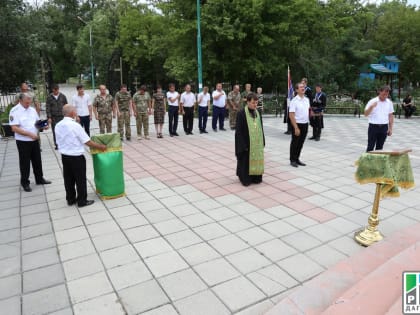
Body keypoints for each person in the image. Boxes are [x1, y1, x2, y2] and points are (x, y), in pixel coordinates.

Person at [55, 104, 107, 207]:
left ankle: (70, 199)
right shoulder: (75, 126)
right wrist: (100, 147)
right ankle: (82, 201)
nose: (76, 112)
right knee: (80, 179)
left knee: (68, 178)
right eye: (75, 110)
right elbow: (87, 141)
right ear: (72, 113)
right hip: (76, 157)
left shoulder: (58, 125)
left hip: (65, 156)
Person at [9, 93, 51, 192]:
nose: (28, 104)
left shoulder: (32, 110)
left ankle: (39, 179)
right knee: (25, 163)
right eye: (26, 103)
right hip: (23, 141)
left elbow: (37, 123)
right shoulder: (15, 111)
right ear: (20, 101)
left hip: (34, 139)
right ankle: (25, 182)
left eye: (29, 102)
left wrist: (43, 126)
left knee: (37, 160)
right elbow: (14, 128)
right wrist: (29, 134)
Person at [235, 93, 265, 186]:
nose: (255, 105)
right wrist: (243, 145)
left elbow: (261, 127)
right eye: (253, 103)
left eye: (256, 103)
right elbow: (238, 131)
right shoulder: (241, 113)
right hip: (246, 143)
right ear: (247, 102)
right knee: (245, 160)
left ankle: (256, 177)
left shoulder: (258, 112)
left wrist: (263, 140)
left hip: (256, 143)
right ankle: (245, 178)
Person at [364, 85, 394, 152]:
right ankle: (367, 162)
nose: (385, 96)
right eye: (383, 94)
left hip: (384, 127)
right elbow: (365, 114)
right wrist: (371, 107)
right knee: (370, 146)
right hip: (373, 127)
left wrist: (390, 128)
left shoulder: (389, 102)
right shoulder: (372, 101)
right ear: (379, 92)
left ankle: (378, 162)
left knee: (380, 148)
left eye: (387, 94)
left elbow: (390, 115)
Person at [289, 83, 310, 167]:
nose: (303, 88)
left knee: (301, 143)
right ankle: (292, 160)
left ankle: (297, 158)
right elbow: (291, 114)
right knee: (295, 143)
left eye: (303, 87)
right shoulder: (294, 101)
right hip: (297, 124)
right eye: (301, 87)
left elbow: (307, 111)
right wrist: (296, 127)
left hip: (305, 124)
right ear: (297, 90)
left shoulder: (306, 100)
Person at [46, 84, 68, 149]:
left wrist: (67, 115)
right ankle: (57, 144)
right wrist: (49, 117)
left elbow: (66, 105)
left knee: (63, 130)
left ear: (58, 89)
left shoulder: (63, 96)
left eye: (57, 90)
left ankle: (64, 143)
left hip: (62, 116)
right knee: (55, 131)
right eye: (54, 90)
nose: (56, 91)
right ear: (52, 90)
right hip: (54, 117)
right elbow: (48, 107)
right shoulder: (49, 97)